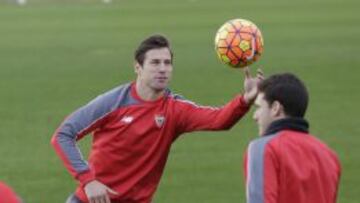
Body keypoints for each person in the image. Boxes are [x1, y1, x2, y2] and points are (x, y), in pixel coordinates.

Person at [51, 34, 263, 203]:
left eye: (167, 63)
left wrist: (245, 100)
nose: (162, 69)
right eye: (155, 63)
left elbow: (219, 120)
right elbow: (63, 135)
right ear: (137, 67)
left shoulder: (174, 110)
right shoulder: (112, 103)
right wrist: (88, 181)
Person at [245, 73, 341, 203]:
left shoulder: (262, 149)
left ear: (275, 108)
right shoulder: (329, 155)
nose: (255, 116)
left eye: (259, 107)